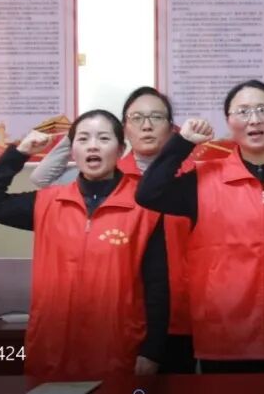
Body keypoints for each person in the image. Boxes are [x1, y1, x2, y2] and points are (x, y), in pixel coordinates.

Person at [135, 79, 264, 373]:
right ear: (229, 122)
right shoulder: (203, 180)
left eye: (263, 109)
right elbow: (148, 194)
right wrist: (183, 143)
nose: (254, 120)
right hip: (223, 338)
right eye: (242, 111)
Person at [0, 110, 168, 380]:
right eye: (83, 139)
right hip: (52, 348)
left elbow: (157, 285)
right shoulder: (47, 203)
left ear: (121, 149)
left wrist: (152, 351)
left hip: (116, 347)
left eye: (103, 138)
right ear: (73, 151)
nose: (93, 146)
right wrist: (20, 153)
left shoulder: (144, 207)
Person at [28, 87, 196, 373]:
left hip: (182, 307)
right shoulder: (109, 173)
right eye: (137, 118)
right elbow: (40, 179)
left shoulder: (191, 173)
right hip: (123, 314)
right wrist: (79, 134)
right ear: (124, 129)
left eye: (157, 117)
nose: (146, 125)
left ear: (172, 127)